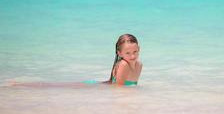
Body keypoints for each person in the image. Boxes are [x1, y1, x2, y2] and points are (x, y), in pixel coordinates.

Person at [11, 34, 142, 87]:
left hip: (99, 85)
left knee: (57, 86)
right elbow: (118, 90)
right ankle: (21, 85)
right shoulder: (123, 65)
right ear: (119, 53)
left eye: (135, 52)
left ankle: (21, 84)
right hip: (95, 87)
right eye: (128, 53)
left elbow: (130, 86)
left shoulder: (139, 65)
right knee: (56, 86)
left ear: (139, 49)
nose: (132, 56)